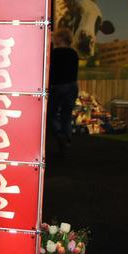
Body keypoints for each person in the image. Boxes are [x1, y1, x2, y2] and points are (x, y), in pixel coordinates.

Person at [47, 28, 79, 158]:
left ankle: (60, 135)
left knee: (51, 114)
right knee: (67, 115)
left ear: (60, 38)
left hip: (58, 86)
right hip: (72, 86)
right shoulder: (73, 53)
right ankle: (67, 140)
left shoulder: (55, 53)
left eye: (55, 36)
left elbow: (51, 72)